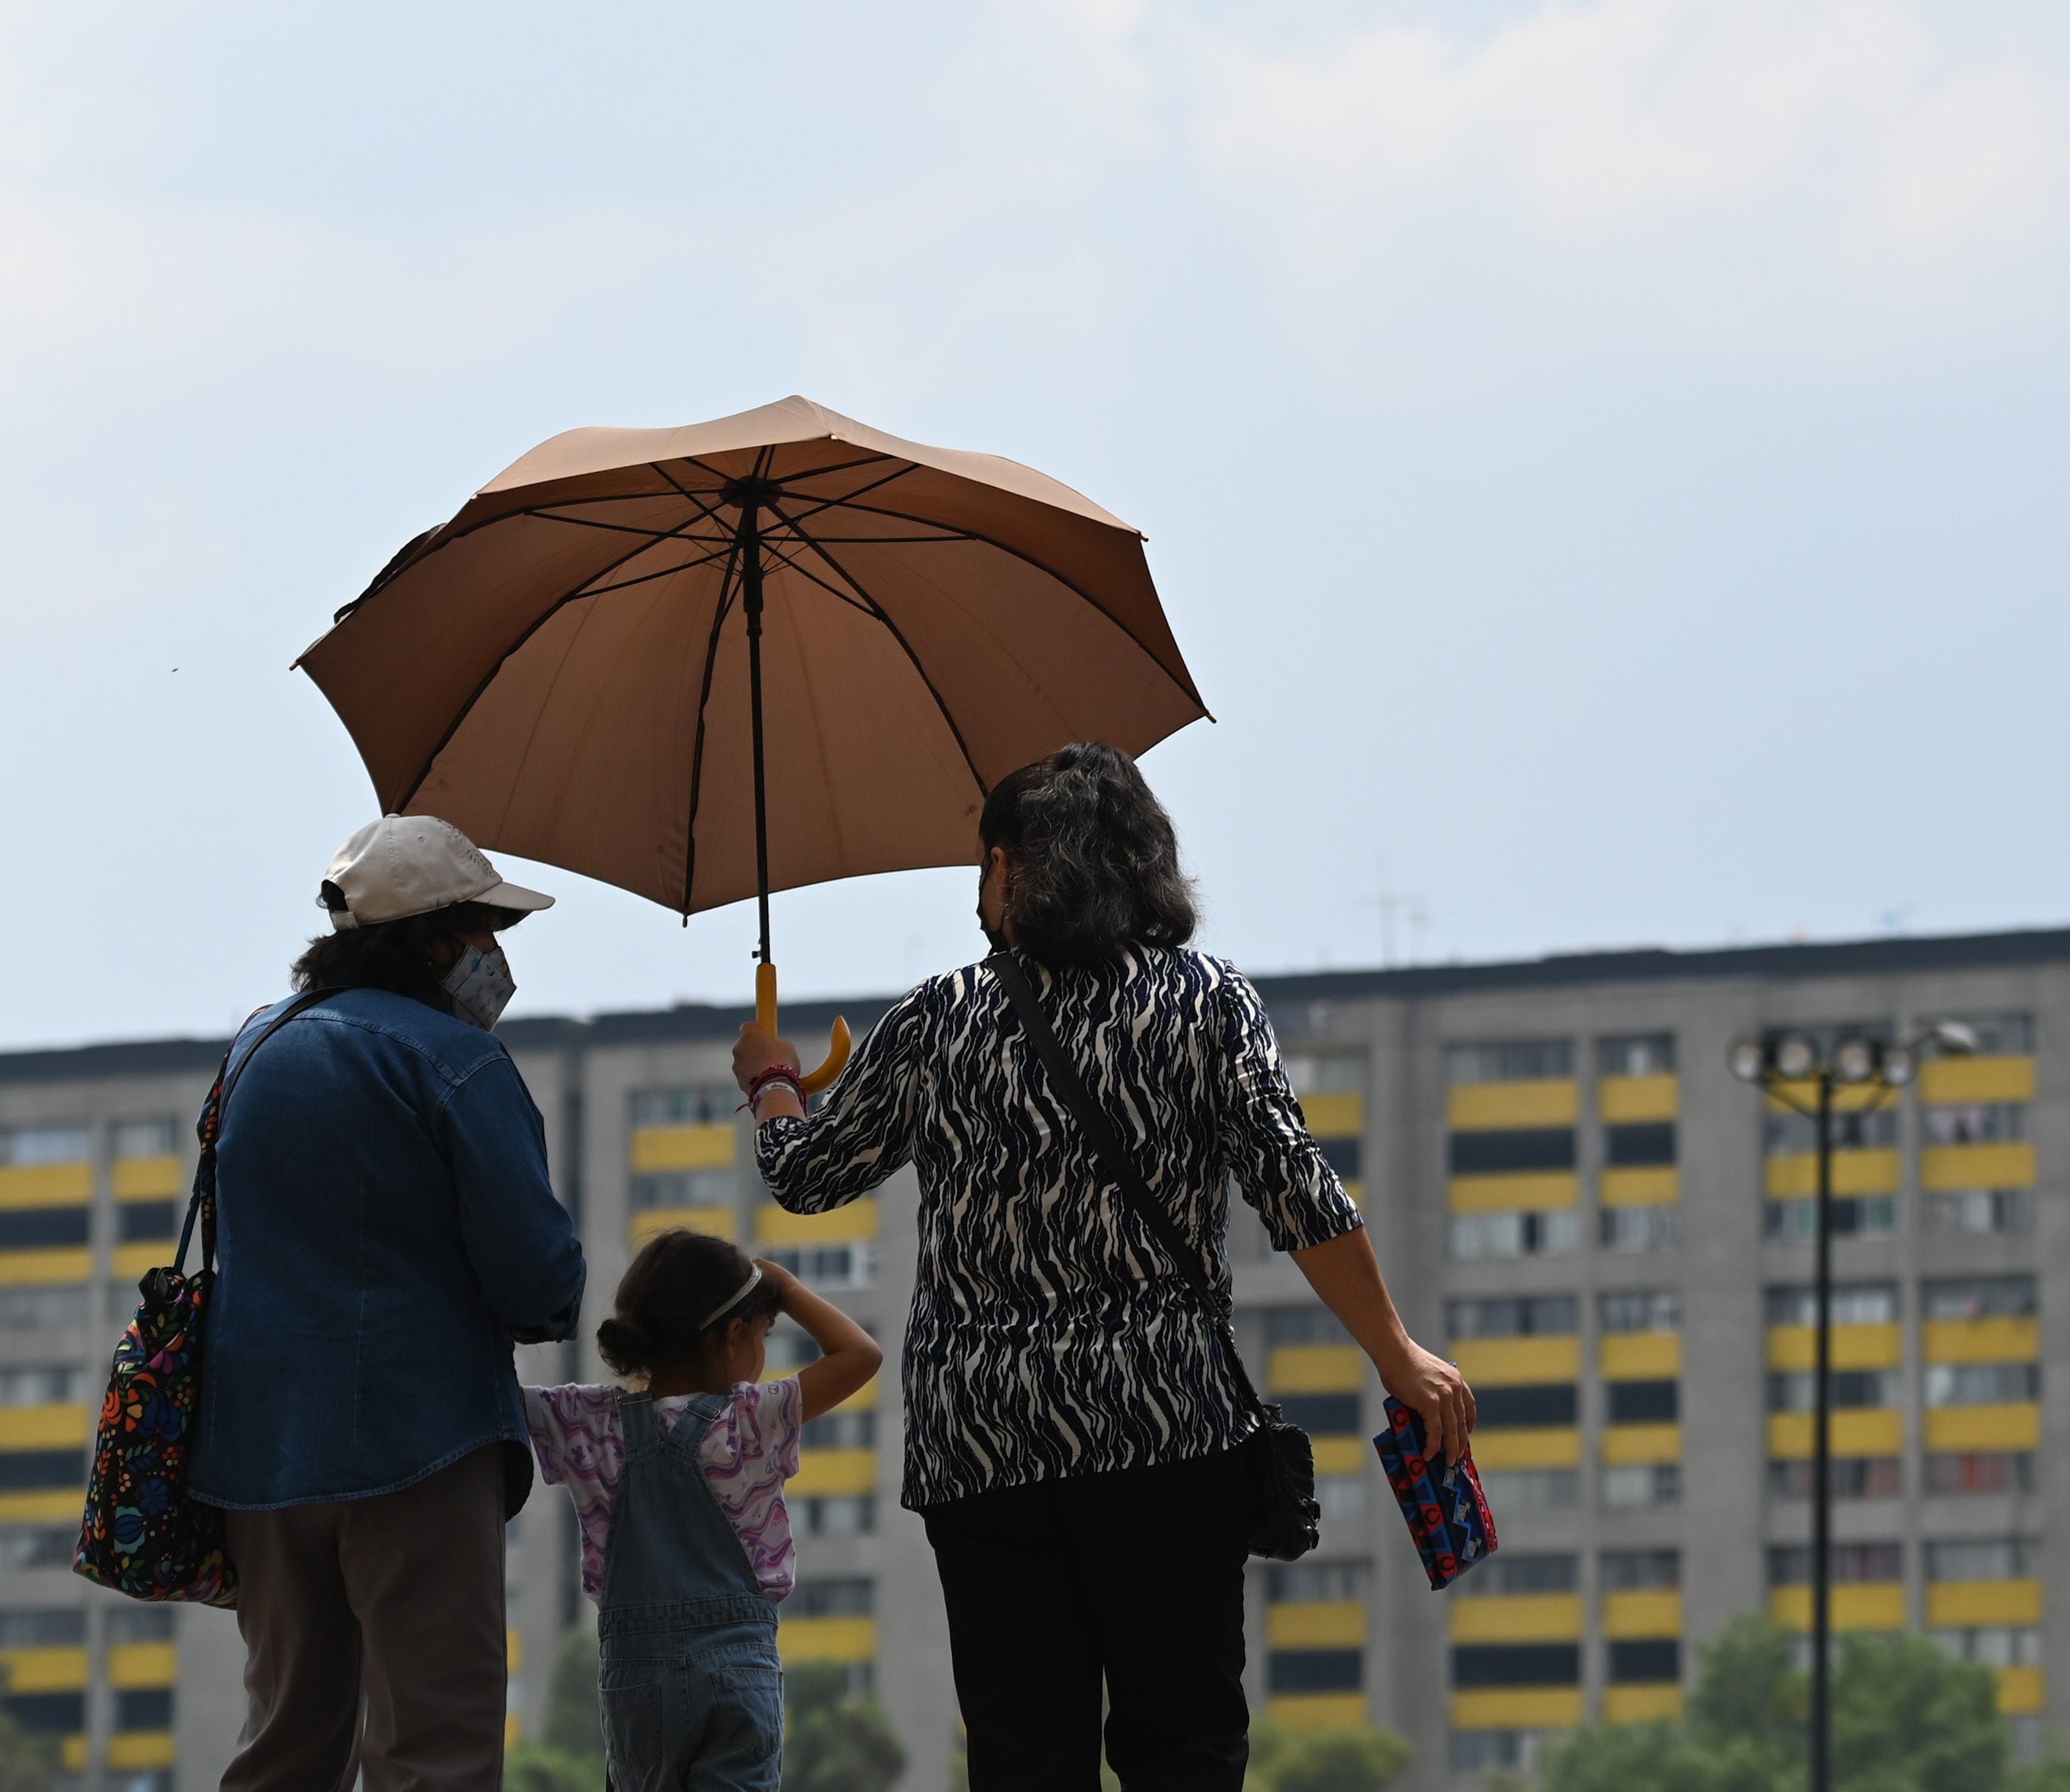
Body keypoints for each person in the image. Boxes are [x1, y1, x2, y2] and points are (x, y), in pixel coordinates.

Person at [733, 741, 1474, 1791]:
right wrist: (1397, 1354)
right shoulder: (1207, 1002)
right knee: (1185, 1746)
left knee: (1025, 1754)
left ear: (1005, 869)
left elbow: (806, 1176)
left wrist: (770, 1082)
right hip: (1167, 1432)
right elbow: (1297, 1189)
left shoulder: (942, 1017)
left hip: (983, 1443)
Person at [191, 814, 588, 1792]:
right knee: (434, 1749)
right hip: (420, 1447)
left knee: (285, 1744)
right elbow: (539, 1281)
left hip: (261, 1459)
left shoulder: (254, 1051)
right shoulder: (456, 1062)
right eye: (483, 933)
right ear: (431, 939)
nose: (494, 958)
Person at [523, 1232, 882, 1792]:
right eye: (762, 1335)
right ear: (733, 1336)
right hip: (737, 1673)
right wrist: (783, 1286)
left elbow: (493, 1391)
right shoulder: (751, 1419)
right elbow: (862, 1355)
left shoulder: (589, 1421)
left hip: (636, 1686)